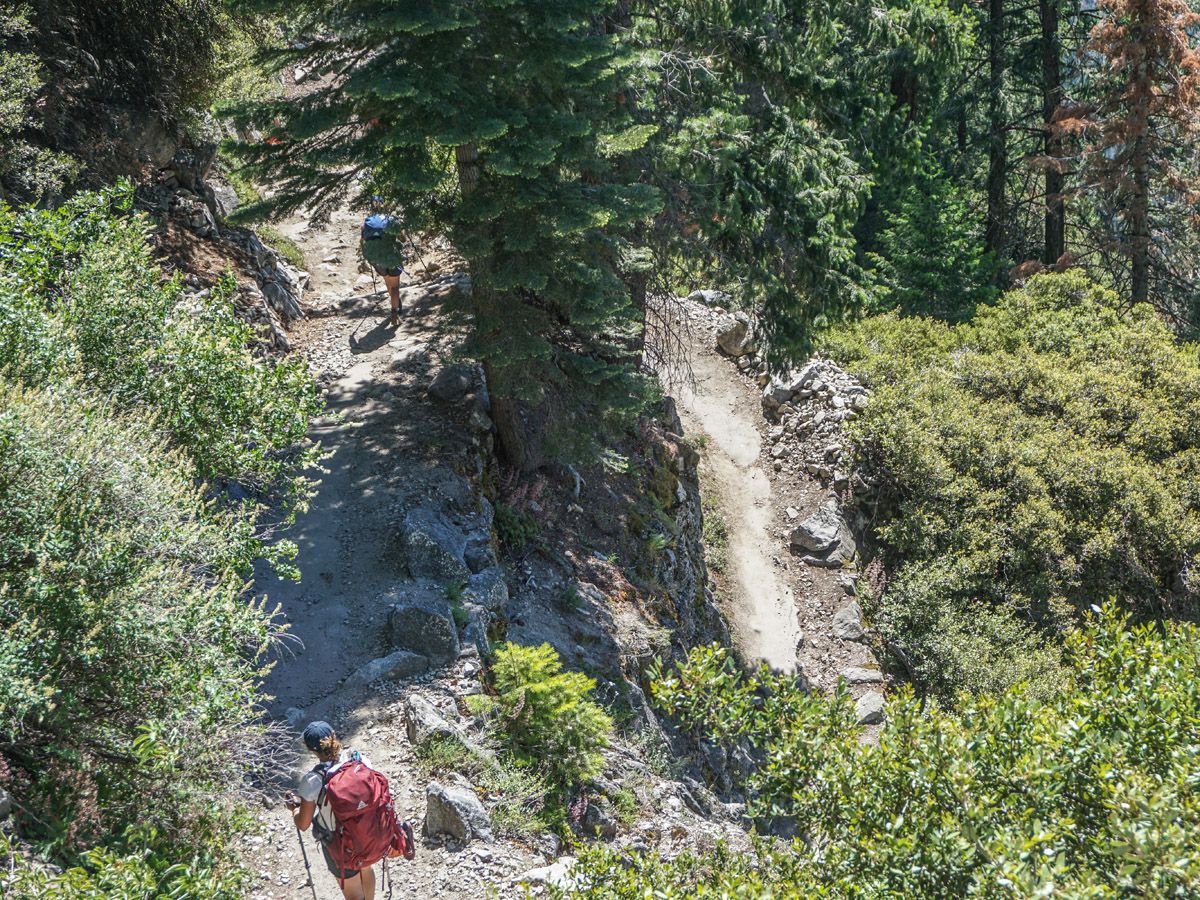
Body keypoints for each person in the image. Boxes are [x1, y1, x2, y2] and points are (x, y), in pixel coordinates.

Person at [286, 721, 388, 900]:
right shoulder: (359, 760)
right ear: (334, 735)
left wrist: (295, 809)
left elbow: (303, 824)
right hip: (367, 833)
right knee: (366, 868)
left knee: (353, 891)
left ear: (310, 749)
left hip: (340, 843)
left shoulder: (313, 781)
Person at [360, 212, 405, 327]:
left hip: (377, 259)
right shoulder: (391, 221)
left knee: (387, 281)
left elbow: (363, 240)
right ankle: (395, 311)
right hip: (392, 258)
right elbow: (402, 239)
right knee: (395, 287)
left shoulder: (367, 223)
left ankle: (395, 304)